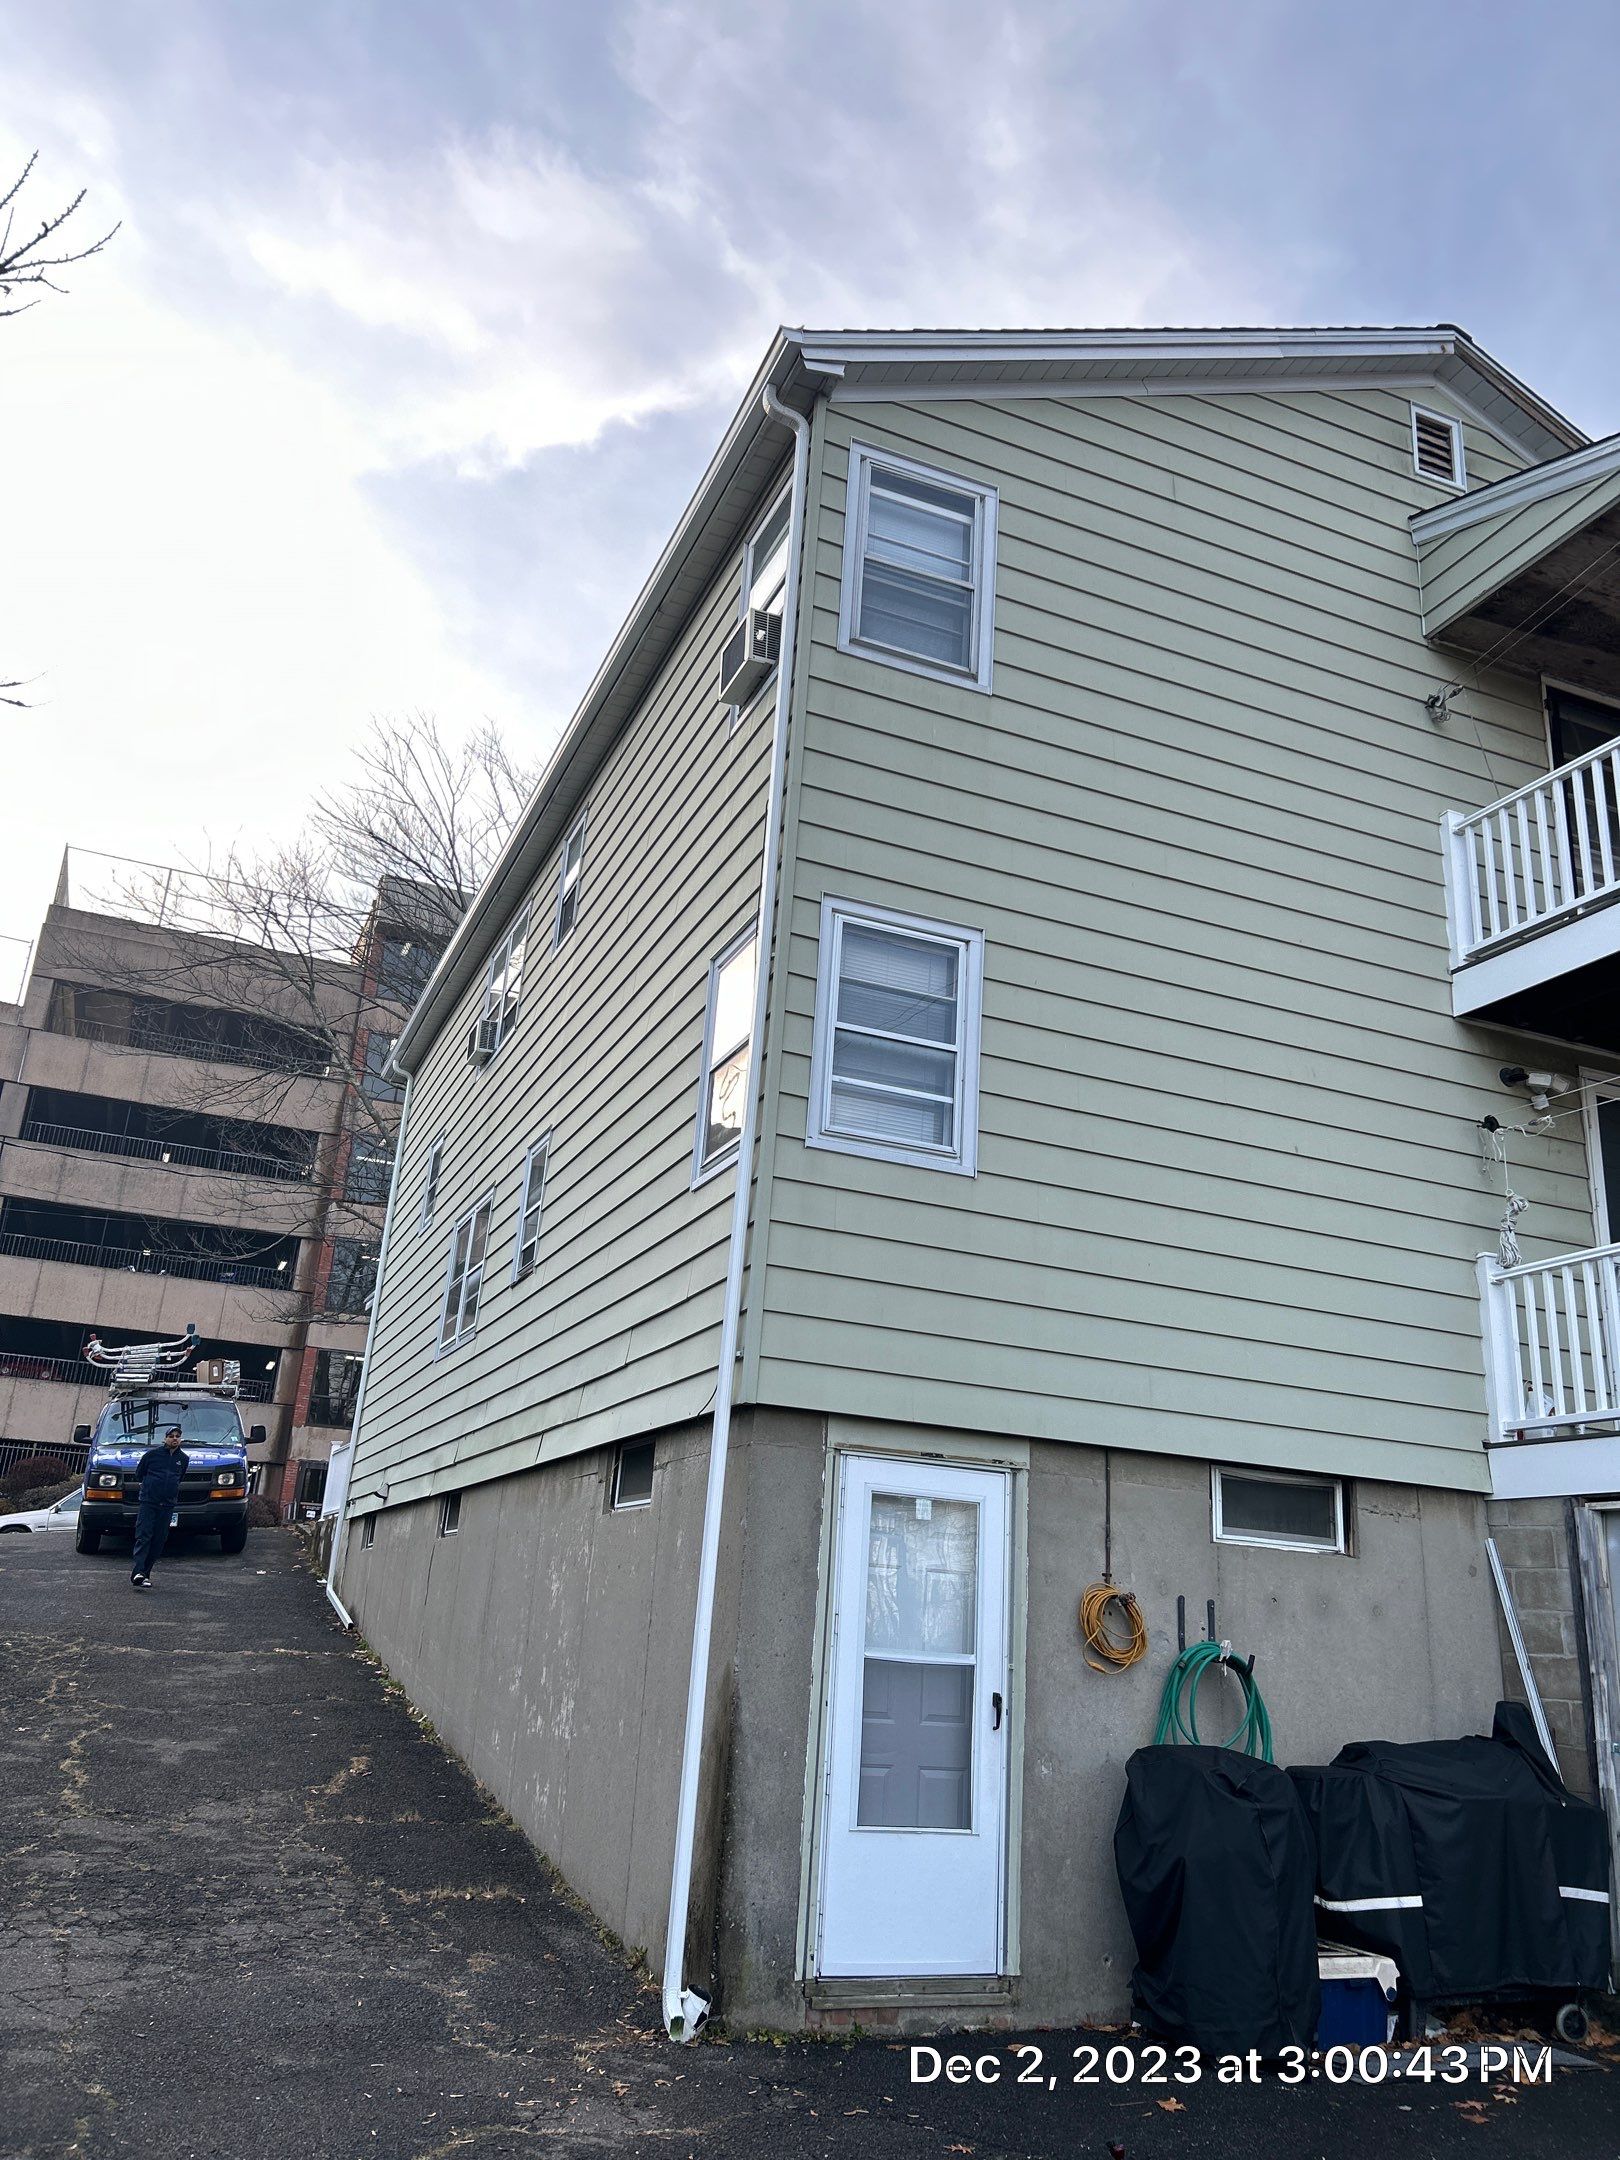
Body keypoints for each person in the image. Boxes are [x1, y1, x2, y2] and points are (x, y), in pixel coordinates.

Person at [130, 1423, 189, 1589]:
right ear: (165, 1438)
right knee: (144, 1536)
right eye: (171, 1436)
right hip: (149, 1502)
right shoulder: (152, 1455)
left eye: (177, 1436)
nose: (174, 1439)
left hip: (168, 1505)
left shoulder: (183, 1459)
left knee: (159, 1540)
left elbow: (180, 1477)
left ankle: (145, 1574)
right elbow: (139, 1474)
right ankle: (138, 1572)